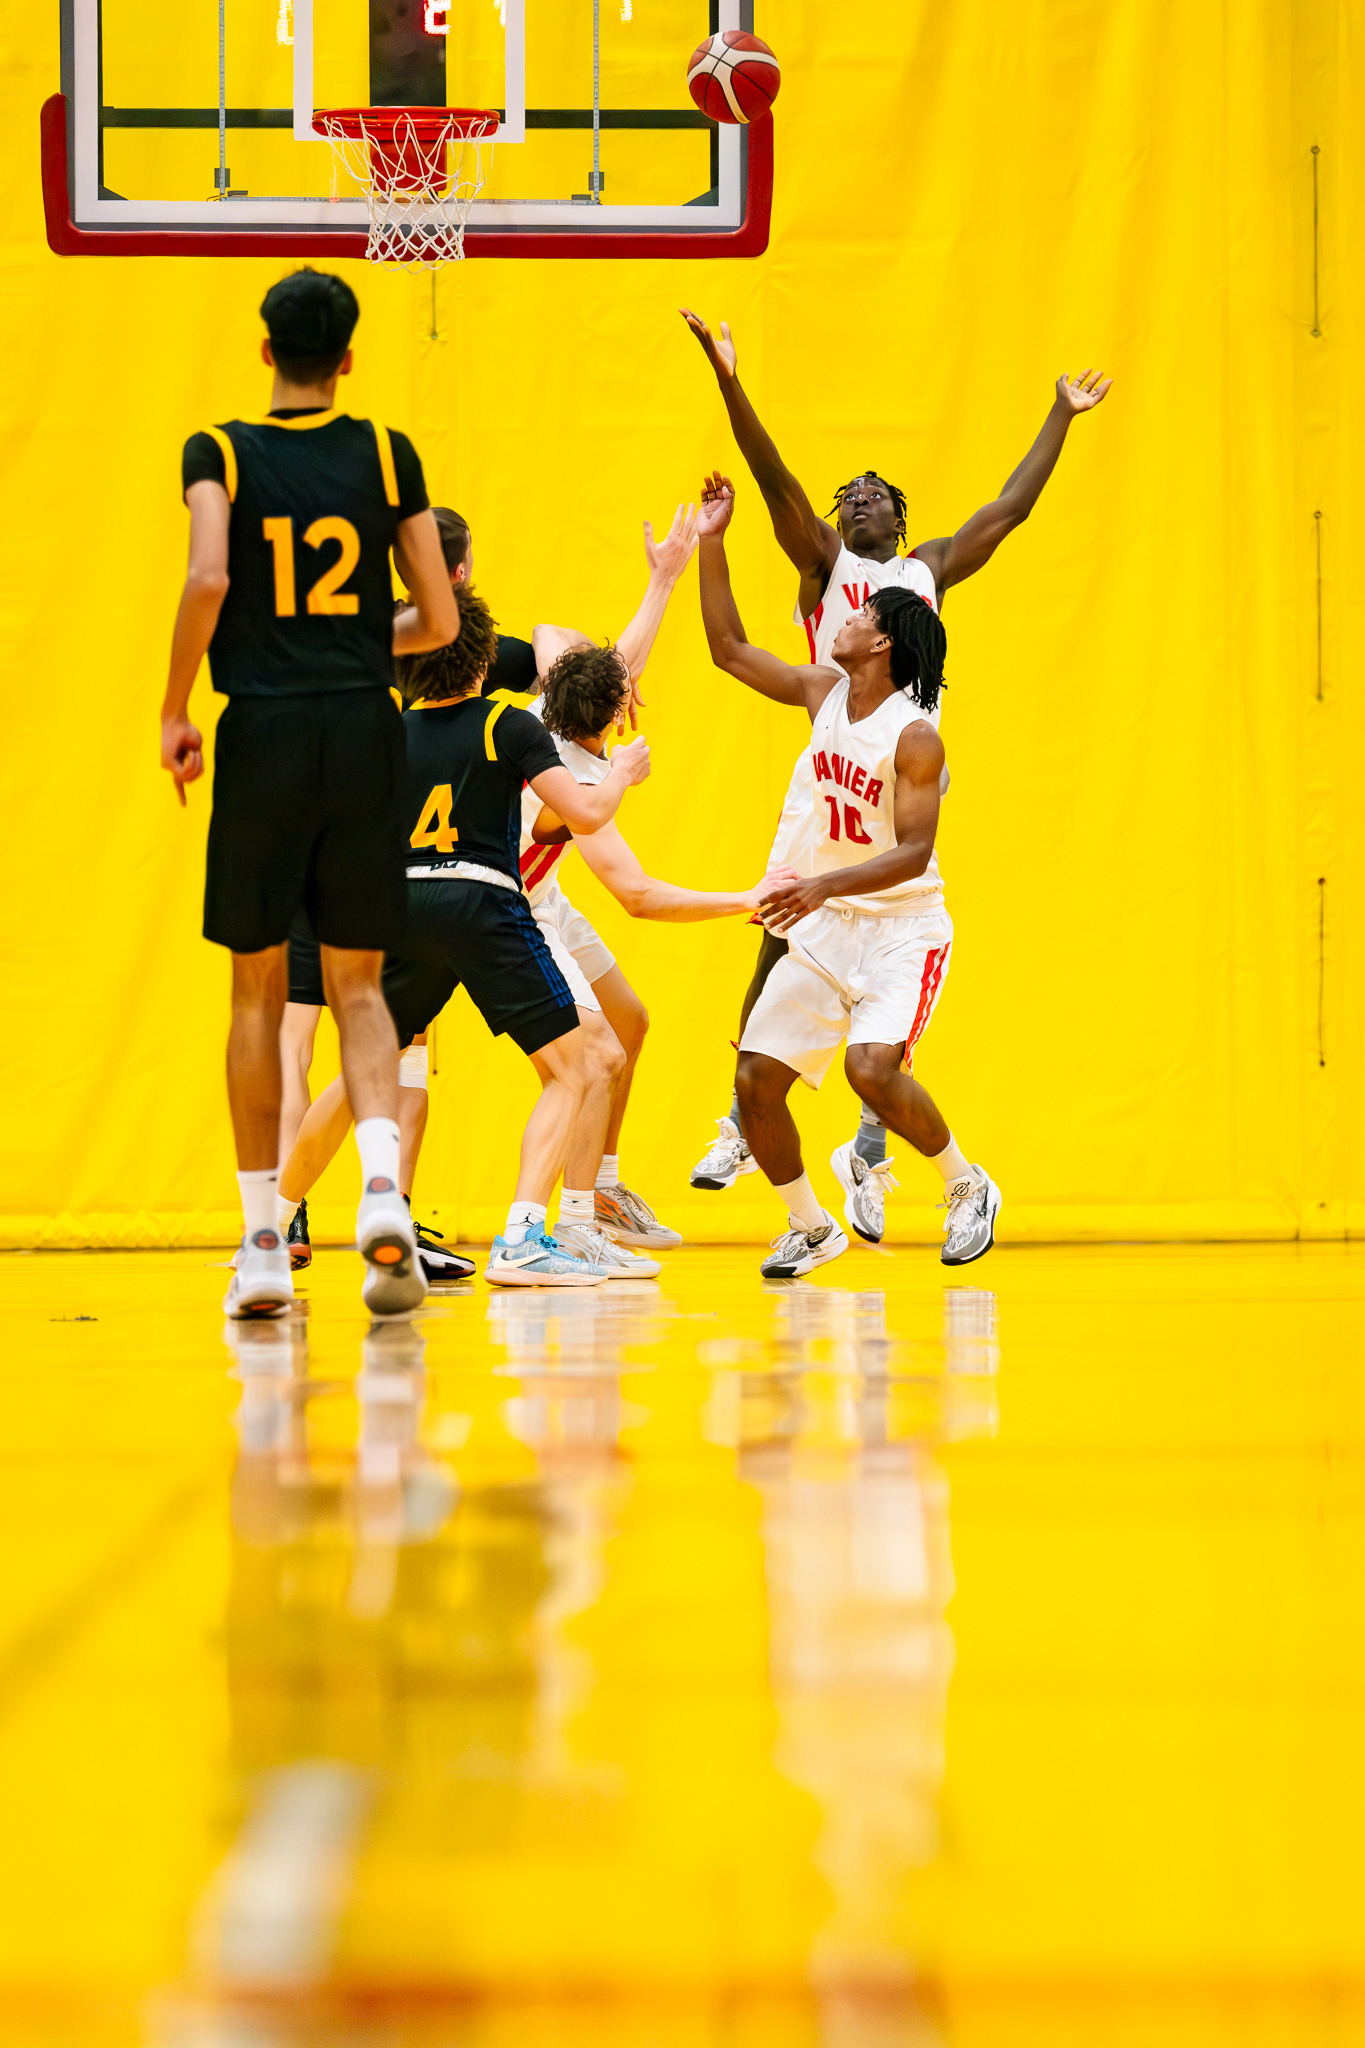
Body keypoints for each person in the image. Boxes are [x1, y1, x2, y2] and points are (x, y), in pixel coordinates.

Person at [680, 308, 1110, 1244]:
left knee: (880, 980)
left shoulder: (926, 573)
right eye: (849, 496)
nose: (859, 499)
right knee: (782, 932)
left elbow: (1009, 508)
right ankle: (752, 1118)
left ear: (901, 519)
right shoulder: (826, 566)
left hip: (901, 775)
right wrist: (728, 379)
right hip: (834, 769)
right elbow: (772, 481)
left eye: (875, 493)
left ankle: (869, 1150)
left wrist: (1059, 415)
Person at [277, 503, 698, 1273]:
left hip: (391, 895)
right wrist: (623, 775)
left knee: (361, 1067)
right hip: (487, 898)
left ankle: (276, 1224)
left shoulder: (386, 724)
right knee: (578, 1064)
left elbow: (585, 671)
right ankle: (532, 1234)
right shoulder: (511, 726)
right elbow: (607, 844)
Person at [162, 268, 457, 1321]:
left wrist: (175, 706)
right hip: (365, 726)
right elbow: (436, 619)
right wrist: (353, 645)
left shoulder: (220, 451)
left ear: (264, 350)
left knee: (256, 991)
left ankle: (259, 1243)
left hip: (265, 728)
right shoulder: (386, 452)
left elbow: (208, 577)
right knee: (359, 985)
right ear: (347, 358)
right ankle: (380, 1189)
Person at [697, 477, 1000, 1279]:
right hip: (833, 922)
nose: (845, 618)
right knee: (755, 1078)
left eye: (860, 617)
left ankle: (965, 1185)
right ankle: (809, 1226)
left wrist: (822, 886)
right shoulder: (822, 693)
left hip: (902, 927)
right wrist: (709, 542)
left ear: (882, 643)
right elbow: (727, 650)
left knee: (871, 1069)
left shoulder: (915, 737)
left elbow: (913, 853)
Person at [518, 637, 795, 1273]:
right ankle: (577, 1222)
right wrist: (745, 898)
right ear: (619, 713)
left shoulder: (540, 711)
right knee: (598, 1056)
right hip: (514, 905)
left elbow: (551, 632)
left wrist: (663, 585)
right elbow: (637, 896)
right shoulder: (581, 780)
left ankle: (603, 1188)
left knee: (629, 1021)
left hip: (544, 890)